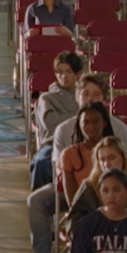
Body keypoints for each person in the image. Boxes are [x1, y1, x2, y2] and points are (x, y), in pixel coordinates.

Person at [23, 73, 127, 253]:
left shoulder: (119, 128)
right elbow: (59, 173)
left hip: (111, 191)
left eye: (96, 94)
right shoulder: (64, 130)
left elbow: (126, 168)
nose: (90, 98)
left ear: (104, 98)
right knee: (36, 200)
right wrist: (79, 202)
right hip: (72, 188)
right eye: (85, 94)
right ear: (77, 97)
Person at [29, 51, 85, 190]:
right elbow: (50, 123)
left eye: (68, 72)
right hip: (52, 142)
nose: (63, 76)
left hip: (81, 141)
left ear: (78, 74)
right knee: (41, 163)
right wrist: (79, 115)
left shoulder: (84, 95)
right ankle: (42, 200)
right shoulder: (47, 98)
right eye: (59, 72)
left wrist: (65, 116)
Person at [56, 102, 115, 203]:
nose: (91, 127)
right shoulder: (69, 154)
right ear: (79, 124)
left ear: (104, 123)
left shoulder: (115, 150)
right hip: (83, 210)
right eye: (86, 122)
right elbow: (72, 201)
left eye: (95, 122)